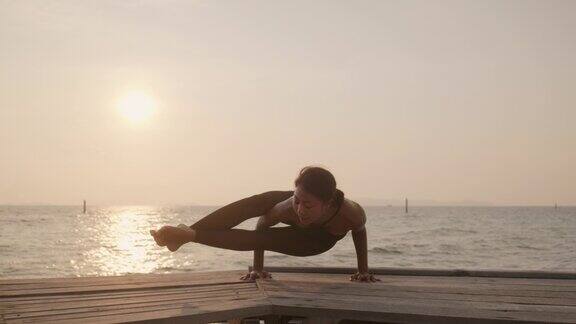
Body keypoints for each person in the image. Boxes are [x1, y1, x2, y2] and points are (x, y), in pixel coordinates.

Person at [150, 166, 380, 283]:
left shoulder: (351, 213)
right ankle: (184, 234)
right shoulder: (288, 206)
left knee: (265, 240)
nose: (300, 209)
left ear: (328, 203)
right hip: (279, 210)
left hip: (318, 239)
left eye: (308, 205)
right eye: (297, 200)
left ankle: (187, 235)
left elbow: (359, 232)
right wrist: (258, 269)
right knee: (255, 204)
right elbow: (262, 224)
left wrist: (363, 271)